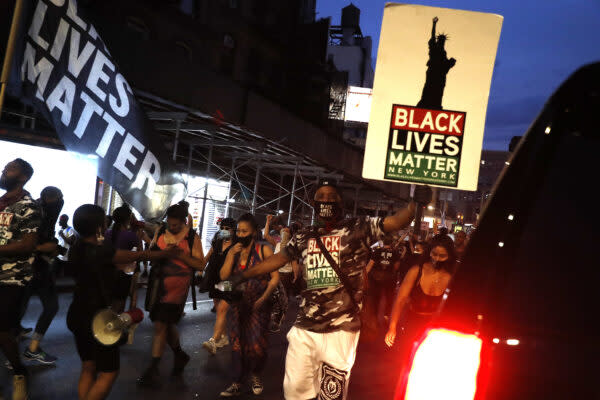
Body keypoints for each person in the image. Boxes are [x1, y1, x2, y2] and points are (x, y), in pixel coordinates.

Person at [230, 180, 429, 400]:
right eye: (321, 196)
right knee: (295, 390)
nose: (326, 200)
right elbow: (279, 258)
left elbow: (394, 222)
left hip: (341, 330)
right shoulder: (304, 235)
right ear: (314, 203)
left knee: (331, 395)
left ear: (341, 201)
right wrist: (243, 275)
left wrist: (413, 205)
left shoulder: (358, 228)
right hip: (306, 328)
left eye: (332, 196)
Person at [66, 204, 177, 400]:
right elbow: (136, 255)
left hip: (77, 312)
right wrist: (164, 253)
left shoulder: (76, 248)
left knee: (88, 367)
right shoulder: (101, 251)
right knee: (109, 372)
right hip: (98, 319)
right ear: (99, 225)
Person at [137, 203, 205, 386]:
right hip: (157, 285)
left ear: (184, 222)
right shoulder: (160, 231)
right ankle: (180, 355)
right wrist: (162, 253)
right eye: (170, 223)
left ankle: (153, 368)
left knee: (160, 324)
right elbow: (150, 254)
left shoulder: (192, 237)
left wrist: (181, 255)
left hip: (176, 290)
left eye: (176, 225)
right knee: (165, 324)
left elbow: (200, 265)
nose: (172, 227)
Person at [218, 213, 279, 397]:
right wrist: (230, 256)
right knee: (237, 344)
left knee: (256, 345)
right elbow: (223, 277)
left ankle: (255, 375)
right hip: (238, 305)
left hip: (258, 306)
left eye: (245, 231)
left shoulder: (264, 250)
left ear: (254, 233)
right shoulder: (233, 250)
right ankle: (237, 381)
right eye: (238, 231)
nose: (240, 234)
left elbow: (275, 278)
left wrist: (263, 298)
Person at [0, 159, 40, 400]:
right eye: (5, 168)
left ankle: (19, 371)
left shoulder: (29, 206)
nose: (4, 171)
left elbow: (28, 244)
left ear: (23, 177)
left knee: (3, 331)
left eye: (10, 169)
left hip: (13, 279)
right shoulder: (2, 203)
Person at [384, 236, 456, 357]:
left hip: (438, 331)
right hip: (412, 327)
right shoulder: (416, 271)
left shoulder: (452, 277)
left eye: (442, 256)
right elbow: (400, 300)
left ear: (449, 256)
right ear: (429, 252)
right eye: (434, 254)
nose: (437, 258)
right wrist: (392, 327)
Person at [18, 186, 65, 365]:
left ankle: (15, 353)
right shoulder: (40, 213)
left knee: (19, 308)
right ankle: (31, 349)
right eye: (59, 199)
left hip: (30, 267)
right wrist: (43, 248)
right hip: (35, 267)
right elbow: (28, 242)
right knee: (51, 306)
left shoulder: (42, 210)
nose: (61, 203)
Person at [201, 217, 236, 355]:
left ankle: (213, 341)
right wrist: (199, 268)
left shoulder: (237, 246)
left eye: (228, 229)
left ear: (234, 230)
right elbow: (208, 256)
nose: (224, 231)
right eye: (222, 228)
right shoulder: (217, 241)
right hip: (214, 278)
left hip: (228, 281)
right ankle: (223, 337)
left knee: (222, 309)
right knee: (218, 307)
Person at [104, 205, 142, 312]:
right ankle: (116, 326)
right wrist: (138, 238)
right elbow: (140, 254)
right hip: (124, 273)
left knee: (109, 303)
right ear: (128, 219)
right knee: (119, 303)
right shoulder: (131, 236)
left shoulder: (106, 233)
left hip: (108, 270)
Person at [365, 236, 402, 328]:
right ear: (391, 243)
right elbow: (397, 266)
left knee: (376, 298)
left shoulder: (376, 251)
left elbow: (370, 265)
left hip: (376, 278)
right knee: (389, 297)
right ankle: (386, 316)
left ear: (383, 242)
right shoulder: (395, 252)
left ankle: (375, 317)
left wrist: (364, 276)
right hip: (390, 279)